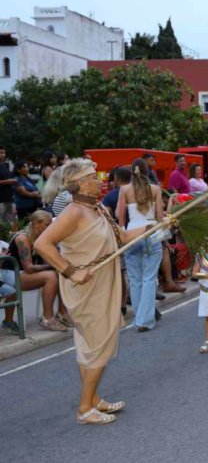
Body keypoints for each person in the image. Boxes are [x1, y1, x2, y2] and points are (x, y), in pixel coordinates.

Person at [34, 159, 152, 425]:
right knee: (101, 343)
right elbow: (42, 244)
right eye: (94, 177)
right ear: (80, 184)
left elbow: (121, 236)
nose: (100, 181)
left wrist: (151, 227)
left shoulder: (97, 207)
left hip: (102, 281)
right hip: (85, 286)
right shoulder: (73, 211)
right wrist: (70, 271)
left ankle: (93, 398)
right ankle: (85, 409)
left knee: (89, 345)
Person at [117, 159, 164, 332]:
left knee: (135, 279)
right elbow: (159, 216)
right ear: (147, 171)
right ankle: (145, 320)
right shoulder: (156, 189)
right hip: (151, 233)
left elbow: (119, 215)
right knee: (149, 278)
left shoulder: (124, 190)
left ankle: (139, 318)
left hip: (131, 236)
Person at [4, 210, 70, 331]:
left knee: (60, 273)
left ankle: (62, 312)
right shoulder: (23, 238)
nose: (50, 227)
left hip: (22, 273)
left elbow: (47, 262)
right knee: (51, 276)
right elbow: (29, 267)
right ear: (36, 223)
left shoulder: (42, 238)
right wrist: (53, 266)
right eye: (47, 224)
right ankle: (47, 318)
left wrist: (57, 266)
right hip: (11, 273)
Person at [0, 146, 15, 225]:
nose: (3, 155)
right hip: (1, 200)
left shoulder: (4, 165)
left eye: (4, 153)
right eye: (1, 153)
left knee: (9, 223)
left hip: (8, 198)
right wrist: (7, 181)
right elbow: (6, 181)